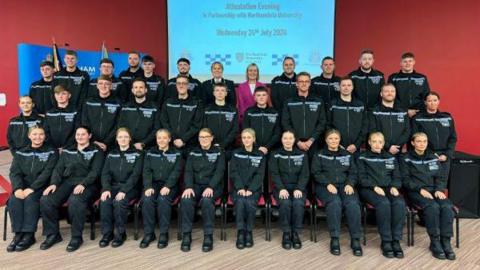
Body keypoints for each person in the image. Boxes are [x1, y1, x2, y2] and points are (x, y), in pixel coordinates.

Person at [40, 126, 104, 252]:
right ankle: (53, 234)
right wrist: (54, 183)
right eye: (78, 134)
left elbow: (95, 171)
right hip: (68, 182)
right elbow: (58, 169)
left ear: (89, 136)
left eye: (83, 134)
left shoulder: (96, 151)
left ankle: (76, 237)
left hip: (89, 184)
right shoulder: (68, 150)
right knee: (46, 200)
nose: (80, 137)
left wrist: (83, 184)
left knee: (75, 200)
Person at [400, 132, 456, 260]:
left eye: (424, 141)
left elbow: (440, 176)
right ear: (413, 143)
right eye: (419, 141)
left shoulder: (432, 157)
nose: (422, 144)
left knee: (447, 206)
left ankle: (445, 241)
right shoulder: (406, 158)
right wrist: (420, 190)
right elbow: (405, 179)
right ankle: (435, 242)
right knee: (432, 207)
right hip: (416, 192)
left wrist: (439, 189)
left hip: (434, 191)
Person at [311, 129, 362, 256]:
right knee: (334, 203)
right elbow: (316, 172)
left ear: (339, 140)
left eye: (336, 139)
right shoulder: (319, 154)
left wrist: (350, 184)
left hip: (345, 186)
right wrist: (327, 184)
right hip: (325, 186)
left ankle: (355, 239)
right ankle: (334, 238)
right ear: (326, 140)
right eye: (330, 139)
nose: (333, 141)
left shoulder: (347, 155)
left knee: (353, 204)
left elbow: (353, 172)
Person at [7, 126, 58, 252]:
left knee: (30, 199)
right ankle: (18, 234)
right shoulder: (20, 152)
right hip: (23, 186)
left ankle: (29, 235)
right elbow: (14, 172)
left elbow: (48, 172)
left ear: (45, 136)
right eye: (34, 134)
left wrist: (33, 188)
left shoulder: (52, 151)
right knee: (14, 199)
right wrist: (18, 188)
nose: (38, 137)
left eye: (41, 134)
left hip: (42, 186)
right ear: (29, 136)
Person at [357, 132, 405, 258]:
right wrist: (374, 187)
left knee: (399, 203)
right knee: (383, 203)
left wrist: (395, 186)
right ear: (369, 142)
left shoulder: (391, 157)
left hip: (389, 188)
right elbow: (361, 178)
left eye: (380, 142)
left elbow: (397, 177)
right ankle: (386, 241)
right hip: (369, 189)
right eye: (374, 141)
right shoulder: (362, 157)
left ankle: (396, 240)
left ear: (383, 143)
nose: (377, 144)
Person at [179, 128, 225, 252]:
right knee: (186, 200)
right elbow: (188, 171)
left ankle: (208, 236)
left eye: (206, 137)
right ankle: (187, 235)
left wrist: (210, 186)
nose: (204, 139)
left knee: (207, 200)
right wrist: (188, 186)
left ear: (211, 138)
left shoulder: (219, 152)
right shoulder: (193, 152)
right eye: (201, 137)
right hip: (195, 186)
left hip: (213, 186)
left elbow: (219, 172)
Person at [99, 128, 143, 248]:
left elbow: (136, 175)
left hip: (130, 188)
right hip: (113, 186)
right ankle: (107, 234)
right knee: (105, 200)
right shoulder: (111, 154)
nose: (123, 139)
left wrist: (124, 190)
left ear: (130, 139)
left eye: (125, 137)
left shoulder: (138, 154)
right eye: (120, 137)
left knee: (119, 202)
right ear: (117, 139)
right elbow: (105, 174)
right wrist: (106, 189)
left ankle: (120, 233)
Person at [140, 129, 182, 249]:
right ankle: (149, 233)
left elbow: (177, 171)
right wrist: (148, 186)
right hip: (153, 184)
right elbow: (146, 171)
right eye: (159, 138)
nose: (161, 140)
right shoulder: (149, 152)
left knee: (163, 200)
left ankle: (164, 233)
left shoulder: (177, 153)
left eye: (164, 138)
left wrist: (168, 186)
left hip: (170, 185)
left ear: (169, 139)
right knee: (147, 199)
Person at [269, 130, 309, 250]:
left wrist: (299, 188)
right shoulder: (275, 154)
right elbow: (274, 173)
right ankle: (286, 233)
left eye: (290, 138)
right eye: (285, 138)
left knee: (297, 203)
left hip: (298, 188)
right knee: (285, 203)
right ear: (281, 140)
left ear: (294, 140)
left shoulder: (302, 154)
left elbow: (305, 174)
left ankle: (296, 233)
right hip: (281, 188)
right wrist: (281, 188)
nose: (287, 141)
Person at [230, 128, 266, 249]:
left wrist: (251, 188)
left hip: (253, 188)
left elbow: (260, 174)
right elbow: (234, 172)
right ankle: (240, 232)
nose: (246, 140)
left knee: (250, 202)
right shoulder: (235, 153)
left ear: (254, 139)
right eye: (244, 137)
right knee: (240, 201)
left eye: (249, 137)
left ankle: (249, 231)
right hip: (238, 188)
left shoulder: (260, 155)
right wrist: (240, 187)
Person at [412, 91, 457, 181]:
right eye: (429, 101)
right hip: (427, 156)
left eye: (435, 100)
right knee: (427, 183)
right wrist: (430, 154)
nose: (432, 103)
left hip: (444, 157)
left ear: (439, 101)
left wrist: (447, 155)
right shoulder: (418, 118)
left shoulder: (447, 117)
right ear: (425, 102)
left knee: (441, 184)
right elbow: (415, 138)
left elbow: (453, 137)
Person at [282, 71, 326, 155]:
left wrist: (311, 140)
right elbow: (285, 123)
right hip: (294, 143)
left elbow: (322, 122)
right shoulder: (289, 102)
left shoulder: (318, 101)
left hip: (314, 143)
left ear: (310, 84)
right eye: (301, 81)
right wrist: (297, 141)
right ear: (297, 84)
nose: (304, 84)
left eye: (306, 81)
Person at [160, 75, 203, 152]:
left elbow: (197, 125)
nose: (181, 85)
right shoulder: (168, 102)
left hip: (190, 145)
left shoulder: (196, 103)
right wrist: (174, 138)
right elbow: (164, 122)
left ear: (188, 85)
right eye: (179, 83)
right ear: (176, 85)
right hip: (171, 144)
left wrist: (183, 140)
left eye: (184, 83)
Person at [117, 77, 161, 150]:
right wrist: (129, 142)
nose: (138, 90)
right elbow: (121, 127)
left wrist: (143, 143)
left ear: (146, 90)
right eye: (136, 87)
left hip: (148, 147)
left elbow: (157, 128)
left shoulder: (154, 107)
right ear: (132, 90)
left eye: (141, 87)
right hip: (129, 146)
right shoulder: (125, 107)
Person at [327, 77, 367, 156]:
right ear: (339, 87)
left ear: (352, 87)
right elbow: (328, 125)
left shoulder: (360, 104)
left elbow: (365, 126)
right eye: (343, 85)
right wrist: (336, 143)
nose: (346, 88)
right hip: (336, 147)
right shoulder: (333, 104)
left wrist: (356, 144)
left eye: (349, 85)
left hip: (356, 148)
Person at [81, 75, 121, 151]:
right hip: (91, 143)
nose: (104, 86)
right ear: (97, 86)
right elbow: (85, 123)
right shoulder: (88, 102)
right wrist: (94, 141)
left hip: (111, 145)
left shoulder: (118, 103)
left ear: (111, 86)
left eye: (107, 84)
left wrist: (106, 142)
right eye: (101, 83)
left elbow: (118, 124)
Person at [369, 84, 410, 155]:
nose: (390, 93)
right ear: (381, 94)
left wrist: (397, 146)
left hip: (398, 151)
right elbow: (373, 131)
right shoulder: (374, 111)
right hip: (380, 151)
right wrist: (388, 146)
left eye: (392, 91)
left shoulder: (403, 111)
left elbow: (407, 131)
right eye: (386, 91)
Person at [388, 52, 430, 117]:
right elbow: (390, 97)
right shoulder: (393, 78)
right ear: (401, 63)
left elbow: (426, 96)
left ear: (414, 62)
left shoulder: (421, 78)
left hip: (418, 112)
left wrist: (419, 110)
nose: (407, 64)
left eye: (410, 61)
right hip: (399, 112)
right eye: (405, 61)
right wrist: (405, 110)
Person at [243, 86, 281, 155]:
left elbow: (277, 133)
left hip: (271, 149)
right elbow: (246, 131)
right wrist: (257, 147)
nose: (261, 97)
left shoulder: (274, 112)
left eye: (264, 95)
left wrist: (267, 147)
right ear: (254, 97)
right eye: (258, 95)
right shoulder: (249, 112)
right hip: (253, 149)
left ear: (267, 97)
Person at [202, 82, 238, 155]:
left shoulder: (233, 110)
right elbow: (204, 128)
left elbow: (235, 130)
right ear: (214, 93)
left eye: (222, 90)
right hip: (210, 146)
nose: (220, 93)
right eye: (217, 90)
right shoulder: (207, 110)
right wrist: (211, 143)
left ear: (226, 93)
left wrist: (223, 144)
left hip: (228, 148)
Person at [44, 85, 80, 151]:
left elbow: (77, 131)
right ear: (54, 96)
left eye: (63, 93)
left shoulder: (75, 112)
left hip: (70, 149)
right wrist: (54, 148)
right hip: (52, 149)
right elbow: (46, 132)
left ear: (69, 95)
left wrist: (66, 147)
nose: (60, 96)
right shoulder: (49, 113)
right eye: (57, 94)